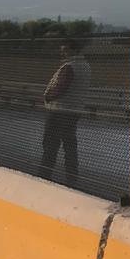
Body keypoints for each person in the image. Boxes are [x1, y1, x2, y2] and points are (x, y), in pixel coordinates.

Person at [39, 39, 92, 187]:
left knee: (50, 144)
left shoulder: (70, 66)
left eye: (65, 50)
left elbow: (61, 87)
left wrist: (48, 96)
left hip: (59, 110)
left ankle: (44, 174)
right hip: (74, 109)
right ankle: (72, 177)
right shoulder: (86, 66)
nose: (62, 53)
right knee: (70, 144)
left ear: (73, 50)